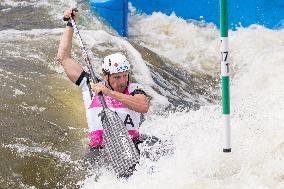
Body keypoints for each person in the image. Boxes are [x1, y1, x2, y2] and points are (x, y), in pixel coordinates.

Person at [57, 8, 150, 152]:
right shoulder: (90, 85)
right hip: (100, 148)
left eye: (125, 75)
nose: (122, 81)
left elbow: (143, 106)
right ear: (106, 76)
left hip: (132, 145)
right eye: (117, 77)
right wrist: (70, 24)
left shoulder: (134, 89)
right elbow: (64, 58)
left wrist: (109, 93)